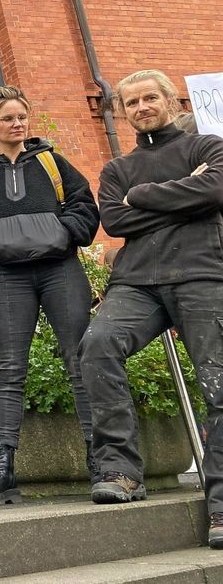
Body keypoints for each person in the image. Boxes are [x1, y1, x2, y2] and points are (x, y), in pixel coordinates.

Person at [79, 70, 223, 547]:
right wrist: (186, 194)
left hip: (203, 275)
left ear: (170, 101)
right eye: (132, 102)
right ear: (122, 112)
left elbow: (216, 190)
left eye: (149, 98)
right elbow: (116, 219)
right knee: (97, 345)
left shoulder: (207, 147)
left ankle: (221, 506)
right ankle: (120, 472)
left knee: (218, 384)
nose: (141, 108)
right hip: (136, 283)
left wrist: (143, 198)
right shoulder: (117, 170)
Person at [0, 85, 100, 507]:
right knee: (10, 369)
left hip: (61, 271)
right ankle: (3, 469)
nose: (17, 124)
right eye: (7, 119)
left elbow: (86, 207)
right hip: (9, 278)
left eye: (21, 117)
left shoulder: (52, 162)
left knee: (80, 362)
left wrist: (60, 233)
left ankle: (100, 460)